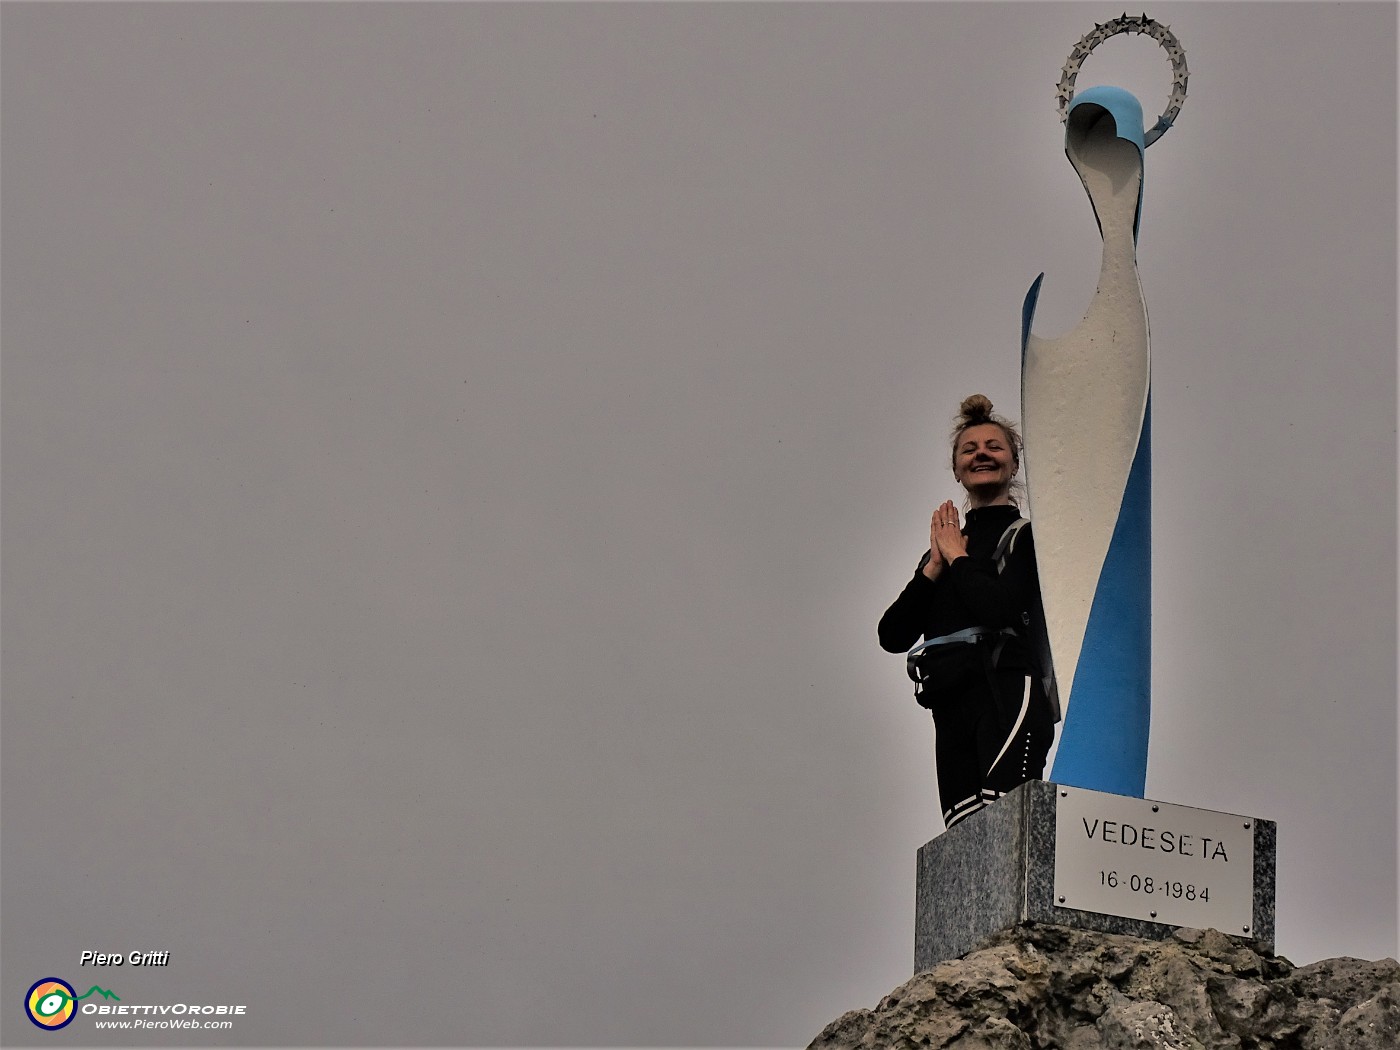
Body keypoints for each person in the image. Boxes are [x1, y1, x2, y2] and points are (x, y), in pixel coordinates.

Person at [878, 394, 1057, 830]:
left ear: (1014, 465)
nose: (981, 454)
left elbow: (997, 609)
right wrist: (933, 569)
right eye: (969, 449)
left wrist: (958, 558)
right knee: (964, 838)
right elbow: (893, 634)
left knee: (1005, 825)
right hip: (952, 707)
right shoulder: (944, 548)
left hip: (1009, 695)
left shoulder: (1027, 537)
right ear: (957, 469)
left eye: (994, 447)